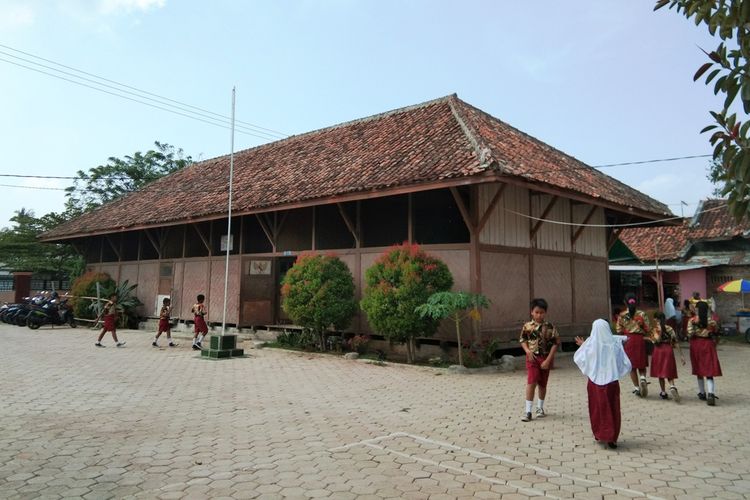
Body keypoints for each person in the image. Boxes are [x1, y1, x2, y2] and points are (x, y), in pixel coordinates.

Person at [574, 319, 631, 450]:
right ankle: (612, 437)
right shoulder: (614, 344)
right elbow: (623, 361)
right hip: (611, 383)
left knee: (596, 409)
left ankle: (600, 434)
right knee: (613, 408)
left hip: (594, 383)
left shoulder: (590, 345)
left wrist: (583, 345)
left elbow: (581, 357)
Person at [519, 298, 560, 422]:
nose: (539, 315)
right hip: (532, 358)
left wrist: (548, 360)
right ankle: (528, 411)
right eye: (536, 312)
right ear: (532, 312)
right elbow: (522, 340)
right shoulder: (527, 326)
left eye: (541, 312)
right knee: (531, 382)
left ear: (545, 313)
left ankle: (540, 408)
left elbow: (555, 343)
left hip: (545, 358)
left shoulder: (550, 327)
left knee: (542, 383)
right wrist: (527, 351)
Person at [687, 301, 722, 406]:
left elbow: (689, 334)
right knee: (709, 369)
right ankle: (711, 393)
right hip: (708, 344)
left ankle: (702, 393)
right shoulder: (712, 321)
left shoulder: (692, 320)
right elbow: (717, 333)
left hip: (696, 345)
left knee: (699, 369)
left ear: (697, 309)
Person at [615, 293, 650, 397]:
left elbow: (618, 330)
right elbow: (647, 329)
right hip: (640, 340)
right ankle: (643, 378)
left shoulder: (622, 315)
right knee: (641, 362)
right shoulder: (642, 314)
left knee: (632, 366)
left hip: (628, 340)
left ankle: (637, 388)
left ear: (625, 302)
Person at [650, 312, 685, 402]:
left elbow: (656, 341)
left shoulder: (654, 329)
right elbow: (675, 341)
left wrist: (660, 332)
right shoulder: (670, 328)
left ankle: (663, 392)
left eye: (655, 318)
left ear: (656, 319)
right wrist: (681, 355)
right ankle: (672, 386)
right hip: (668, 350)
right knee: (669, 370)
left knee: (660, 372)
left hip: (658, 351)